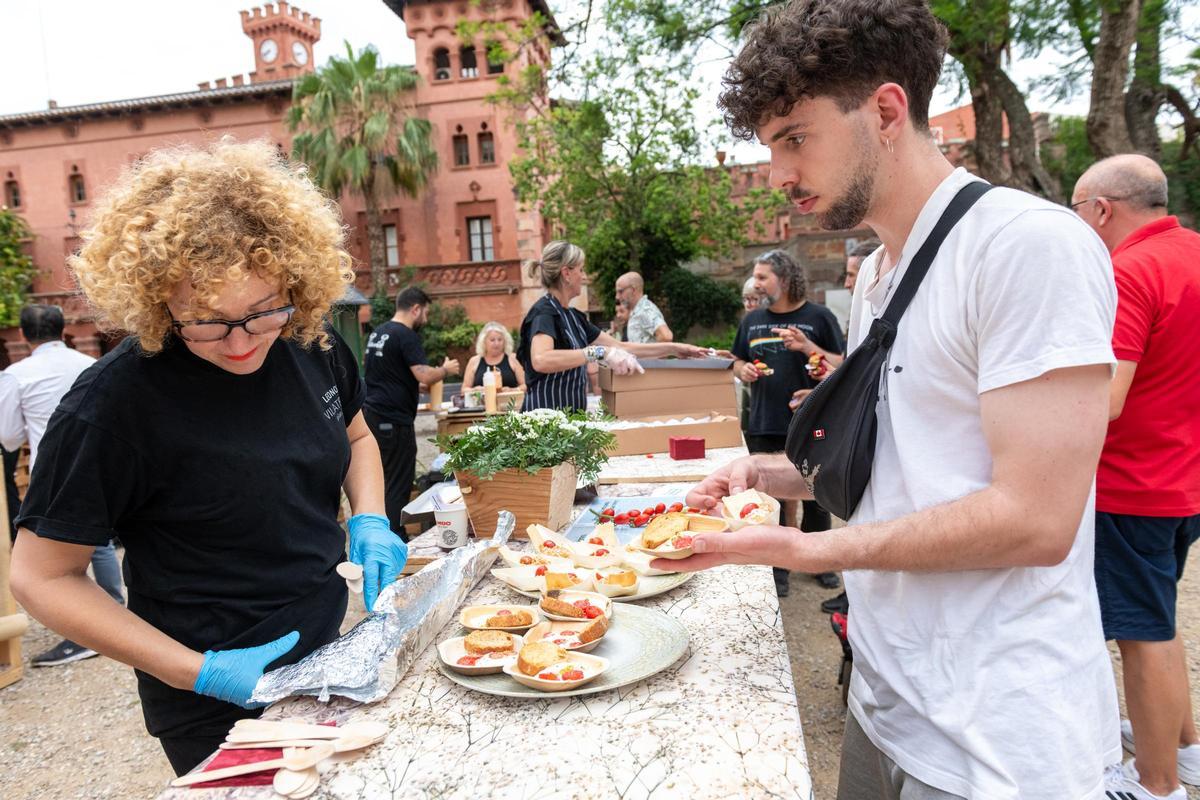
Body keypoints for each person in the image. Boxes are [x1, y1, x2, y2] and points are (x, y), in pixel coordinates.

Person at [662, 2, 1122, 797]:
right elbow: (906, 462)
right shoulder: (876, 274)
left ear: (884, 111)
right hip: (885, 699)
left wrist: (808, 551)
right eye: (770, 146)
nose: (778, 174)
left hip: (996, 742)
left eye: (795, 138)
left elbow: (1038, 520)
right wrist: (771, 475)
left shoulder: (1027, 247)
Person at [9, 139, 405, 776]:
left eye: (262, 310)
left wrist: (370, 519)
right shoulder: (111, 406)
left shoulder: (312, 342)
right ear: (159, 297)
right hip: (206, 689)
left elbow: (356, 436)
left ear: (293, 284)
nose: (243, 340)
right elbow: (40, 576)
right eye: (207, 320)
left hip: (325, 650)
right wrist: (202, 671)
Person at [1073, 154, 1200, 800]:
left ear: (1102, 209)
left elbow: (1107, 397)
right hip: (1185, 480)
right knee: (1161, 619)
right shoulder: (1195, 253)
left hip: (1131, 485)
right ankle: (1183, 750)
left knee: (1140, 634)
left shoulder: (1128, 271)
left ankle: (1155, 786)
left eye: (1076, 209)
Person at [0, 305, 126, 667]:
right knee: (98, 542)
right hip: (104, 464)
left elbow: (7, 436)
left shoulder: (17, 374)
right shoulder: (89, 365)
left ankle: (87, 629)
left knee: (54, 557)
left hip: (52, 470)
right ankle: (113, 608)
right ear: (62, 329)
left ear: (24, 336)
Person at [732, 250, 843, 597]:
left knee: (817, 492)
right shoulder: (752, 321)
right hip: (765, 420)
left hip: (814, 420)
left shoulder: (819, 317)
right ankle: (778, 567)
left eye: (763, 276)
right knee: (772, 499)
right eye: (755, 276)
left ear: (785, 278)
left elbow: (844, 363)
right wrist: (743, 369)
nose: (756, 283)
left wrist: (808, 345)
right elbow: (736, 360)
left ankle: (819, 561)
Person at [518, 241, 705, 412]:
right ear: (566, 273)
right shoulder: (544, 313)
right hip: (544, 424)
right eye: (581, 270)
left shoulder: (574, 317)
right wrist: (598, 352)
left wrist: (675, 348)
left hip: (570, 419)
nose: (583, 277)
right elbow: (541, 359)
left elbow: (622, 347)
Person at [363, 286, 459, 538]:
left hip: (373, 416)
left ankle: (379, 533)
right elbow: (424, 373)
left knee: (379, 481)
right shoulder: (405, 335)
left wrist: (412, 387)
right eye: (425, 313)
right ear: (415, 309)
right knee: (398, 481)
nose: (425, 320)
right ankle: (396, 536)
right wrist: (446, 369)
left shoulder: (379, 333)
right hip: (393, 420)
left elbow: (388, 375)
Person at [462, 321, 524, 392]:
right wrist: (475, 390)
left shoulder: (513, 359)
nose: (496, 343)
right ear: (484, 342)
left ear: (505, 341)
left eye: (500, 340)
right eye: (492, 340)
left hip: (509, 402)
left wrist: (513, 390)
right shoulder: (474, 361)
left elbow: (525, 385)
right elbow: (464, 389)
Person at [615, 272, 673, 343]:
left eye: (620, 291)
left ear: (633, 290)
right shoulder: (637, 311)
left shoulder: (645, 310)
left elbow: (666, 337)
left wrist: (648, 353)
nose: (617, 297)